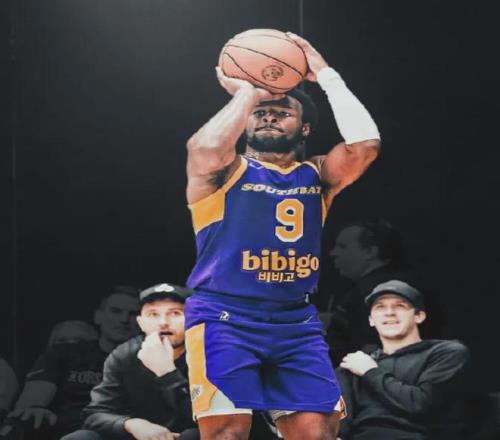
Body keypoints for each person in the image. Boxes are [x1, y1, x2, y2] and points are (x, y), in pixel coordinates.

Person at [184, 32, 381, 440]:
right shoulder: (223, 171)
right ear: (245, 120)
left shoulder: (318, 175)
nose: (269, 117)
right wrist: (247, 93)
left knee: (317, 434)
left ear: (305, 128)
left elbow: (365, 145)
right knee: (226, 434)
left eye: (282, 111)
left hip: (294, 320)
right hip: (224, 315)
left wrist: (326, 76)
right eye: (261, 112)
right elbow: (203, 147)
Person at [61, 283, 199, 440]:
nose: (163, 322)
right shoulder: (125, 354)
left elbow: (209, 420)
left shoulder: (211, 354)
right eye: (153, 314)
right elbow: (94, 414)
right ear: (141, 322)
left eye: (175, 313)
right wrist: (130, 424)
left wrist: (167, 374)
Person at [336, 280, 470, 440]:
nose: (389, 312)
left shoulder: (445, 353)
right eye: (380, 307)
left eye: (400, 306)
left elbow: (421, 406)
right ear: (371, 320)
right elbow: (337, 426)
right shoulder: (354, 365)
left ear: (419, 316)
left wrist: (370, 371)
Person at [0, 286, 140, 440]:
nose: (124, 319)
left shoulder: (151, 361)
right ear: (98, 317)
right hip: (64, 431)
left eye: (133, 314)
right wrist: (34, 408)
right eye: (115, 311)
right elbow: (33, 398)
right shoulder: (65, 352)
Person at [323, 219, 444, 365]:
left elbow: (370, 348)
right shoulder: (410, 283)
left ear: (370, 252)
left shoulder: (373, 292)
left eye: (342, 246)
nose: (333, 253)